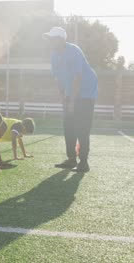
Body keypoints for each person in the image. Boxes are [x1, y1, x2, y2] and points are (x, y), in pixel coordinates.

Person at [44, 26, 98, 172]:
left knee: (82, 128)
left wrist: (72, 101)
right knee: (69, 127)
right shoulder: (54, 56)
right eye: (49, 38)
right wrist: (63, 98)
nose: (50, 41)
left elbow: (78, 78)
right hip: (70, 92)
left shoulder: (74, 51)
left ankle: (84, 162)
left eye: (52, 38)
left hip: (86, 93)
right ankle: (71, 159)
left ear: (61, 40)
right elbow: (58, 78)